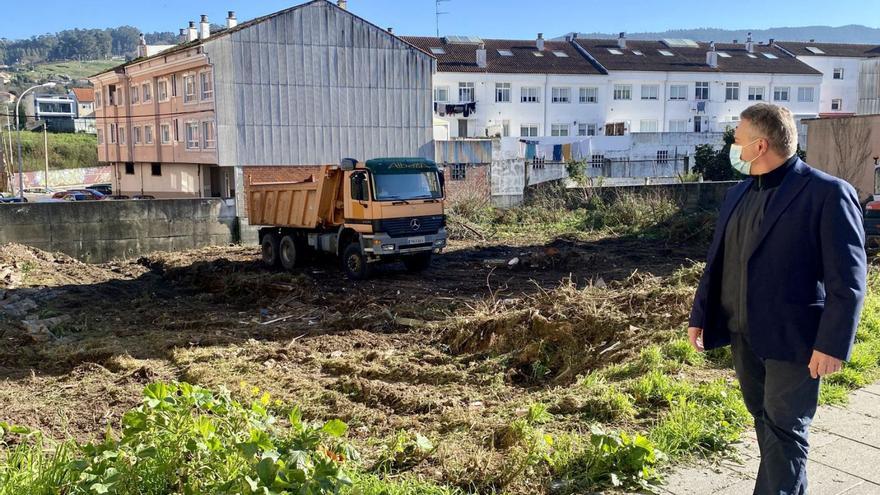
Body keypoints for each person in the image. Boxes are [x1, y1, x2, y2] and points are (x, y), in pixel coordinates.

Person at [687, 103, 867, 495]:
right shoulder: (737, 194)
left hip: (796, 341)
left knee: (786, 431)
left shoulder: (827, 193)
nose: (733, 144)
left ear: (760, 145)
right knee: (767, 426)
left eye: (738, 137)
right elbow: (718, 261)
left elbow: (849, 281)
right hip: (742, 334)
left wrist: (831, 344)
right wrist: (699, 315)